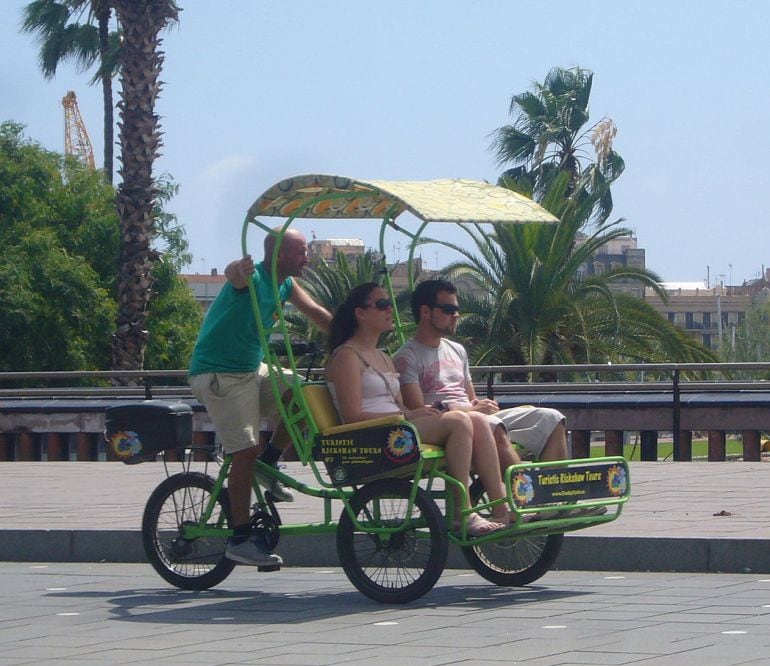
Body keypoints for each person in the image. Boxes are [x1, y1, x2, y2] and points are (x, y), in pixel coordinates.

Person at [189, 229, 332, 566]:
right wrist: (236, 269)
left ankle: (269, 462)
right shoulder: (250, 277)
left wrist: (356, 337)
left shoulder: (285, 284)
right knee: (244, 452)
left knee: (307, 394)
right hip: (220, 372)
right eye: (301, 251)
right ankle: (239, 539)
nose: (307, 258)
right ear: (279, 254)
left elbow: (316, 313)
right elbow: (233, 275)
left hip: (253, 368)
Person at [325, 282, 510, 535]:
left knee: (477, 420)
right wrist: (407, 414)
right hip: (370, 434)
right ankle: (461, 510)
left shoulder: (382, 356)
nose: (390, 309)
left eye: (389, 303)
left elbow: (398, 403)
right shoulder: (347, 356)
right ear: (360, 313)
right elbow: (352, 416)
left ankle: (502, 507)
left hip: (396, 426)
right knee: (458, 421)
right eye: (381, 304)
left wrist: (416, 411)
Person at [393, 279, 569, 476]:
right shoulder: (406, 357)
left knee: (552, 418)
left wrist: (477, 406)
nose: (456, 315)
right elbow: (420, 411)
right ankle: (526, 496)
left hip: (474, 416)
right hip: (450, 424)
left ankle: (556, 500)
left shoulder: (457, 350)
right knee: (492, 427)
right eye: (449, 309)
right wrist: (472, 409)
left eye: (457, 309)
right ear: (425, 312)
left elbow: (471, 398)